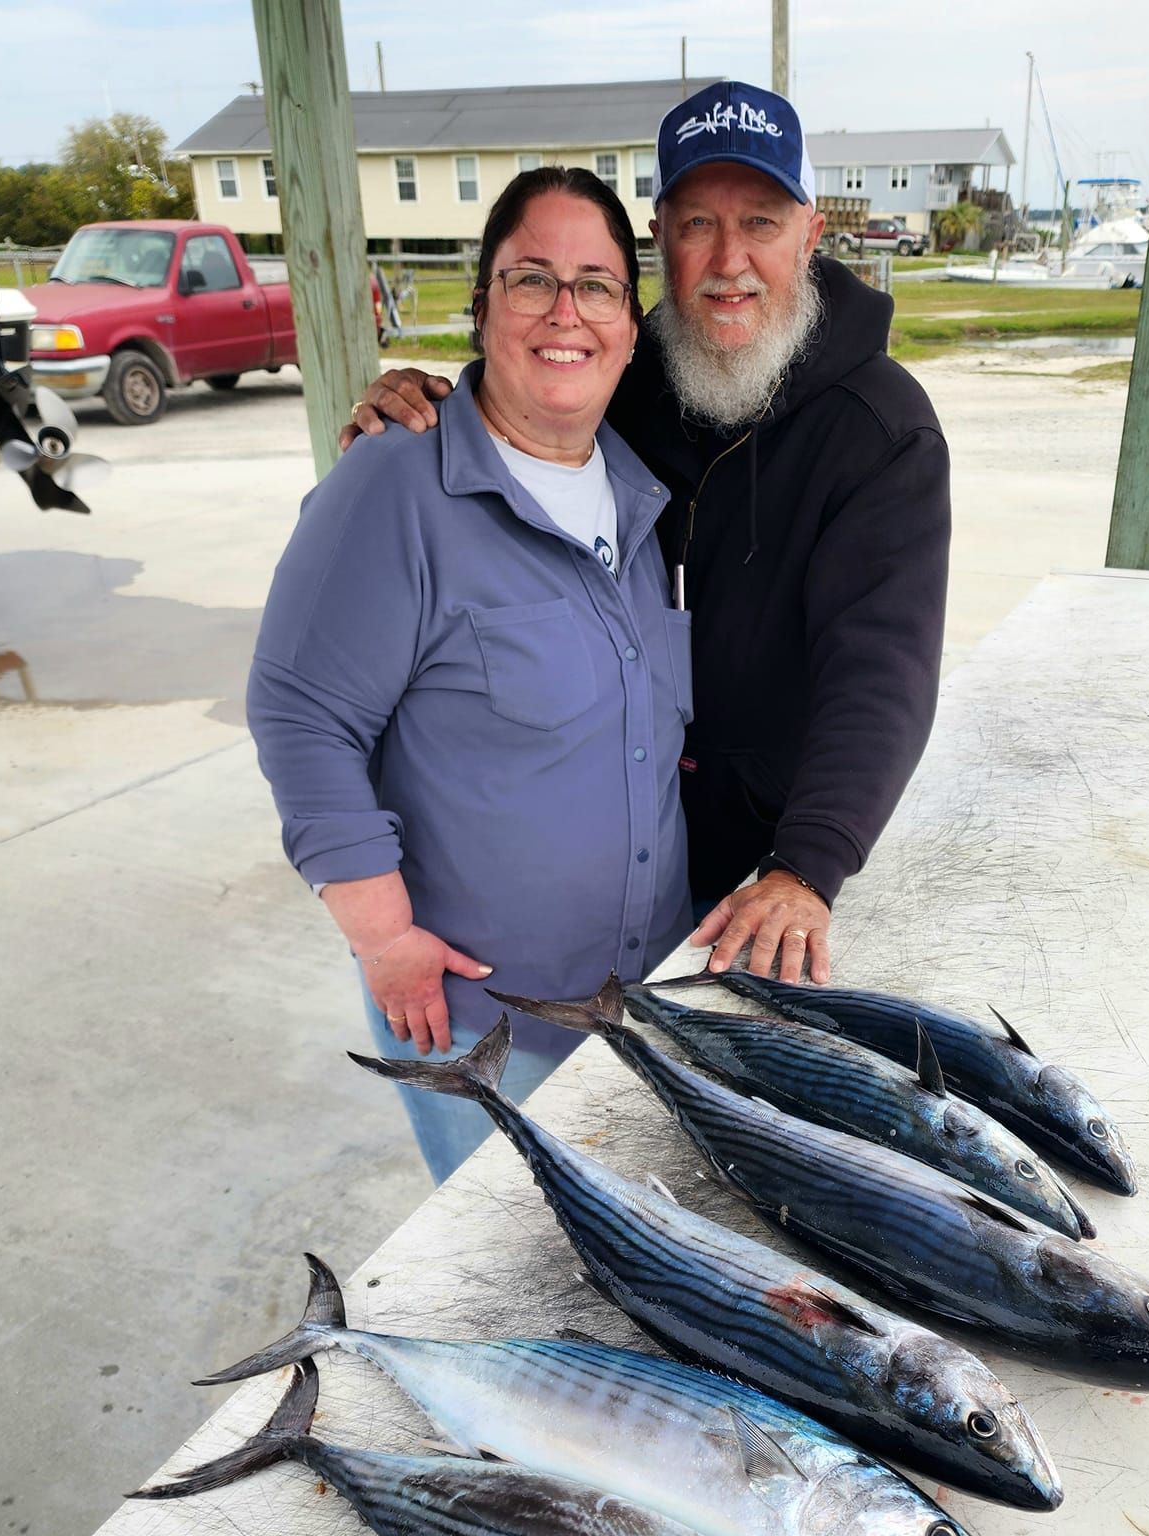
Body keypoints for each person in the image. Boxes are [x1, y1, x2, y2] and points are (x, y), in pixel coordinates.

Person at [345, 80, 951, 990]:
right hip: (617, 855)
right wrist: (429, 400)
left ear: (812, 235)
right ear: (660, 236)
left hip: (768, 871)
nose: (729, 259)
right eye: (698, 223)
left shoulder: (882, 430)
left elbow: (884, 669)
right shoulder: (617, 382)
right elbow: (521, 386)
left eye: (761, 223)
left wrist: (806, 866)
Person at [248, 167, 692, 1183]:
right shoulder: (395, 481)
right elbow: (300, 712)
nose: (565, 311)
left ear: (630, 324)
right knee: (513, 1281)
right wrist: (384, 933)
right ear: (482, 306)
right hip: (483, 1026)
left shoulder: (639, 493)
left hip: (639, 1006)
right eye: (531, 278)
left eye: (597, 284)